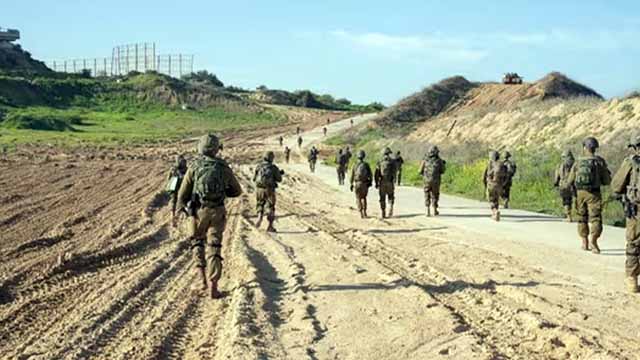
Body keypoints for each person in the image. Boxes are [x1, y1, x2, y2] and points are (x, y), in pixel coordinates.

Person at [176, 134, 242, 299]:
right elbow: (237, 191)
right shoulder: (223, 167)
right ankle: (214, 286)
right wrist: (223, 192)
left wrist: (182, 209)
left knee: (197, 242)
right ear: (217, 149)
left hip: (199, 212)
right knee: (215, 246)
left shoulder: (194, 167)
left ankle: (202, 280)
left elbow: (182, 195)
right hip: (217, 212)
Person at [567, 137, 611, 253]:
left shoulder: (578, 161)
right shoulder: (599, 161)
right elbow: (607, 180)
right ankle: (594, 241)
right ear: (595, 148)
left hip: (580, 193)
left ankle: (584, 242)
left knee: (582, 218)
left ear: (584, 147)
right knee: (595, 218)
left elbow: (570, 180)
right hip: (594, 194)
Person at [611, 135, 640, 293]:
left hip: (636, 210)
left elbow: (616, 186)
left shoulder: (630, 162)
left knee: (633, 243)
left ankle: (632, 279)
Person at [253, 151, 284, 233]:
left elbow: (254, 179)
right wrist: (279, 174)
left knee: (260, 203)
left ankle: (259, 218)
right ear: (271, 158)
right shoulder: (273, 167)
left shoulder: (258, 166)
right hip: (269, 190)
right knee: (270, 206)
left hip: (259, 189)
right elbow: (279, 179)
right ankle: (270, 226)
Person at [419, 146, 446, 216]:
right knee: (435, 194)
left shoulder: (425, 160)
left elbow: (419, 171)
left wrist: (424, 174)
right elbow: (443, 171)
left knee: (426, 193)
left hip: (426, 181)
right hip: (436, 181)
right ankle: (434, 209)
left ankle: (427, 210)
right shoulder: (439, 160)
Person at [483, 151, 508, 221]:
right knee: (496, 199)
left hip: (491, 184)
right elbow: (506, 176)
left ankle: (495, 211)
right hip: (500, 185)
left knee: (490, 199)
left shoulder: (490, 164)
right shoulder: (503, 165)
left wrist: (485, 185)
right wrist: (503, 184)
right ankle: (495, 213)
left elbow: (484, 176)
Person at [554, 150, 577, 222]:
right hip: (574, 185)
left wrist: (556, 184)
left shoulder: (559, 165)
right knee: (577, 200)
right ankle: (579, 215)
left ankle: (569, 216)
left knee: (566, 201)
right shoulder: (575, 164)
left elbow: (556, 177)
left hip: (563, 185)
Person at [374, 147, 397, 218]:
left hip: (382, 182)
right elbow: (395, 172)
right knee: (391, 196)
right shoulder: (392, 161)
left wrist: (376, 183)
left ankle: (383, 212)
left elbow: (376, 173)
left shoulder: (379, 161)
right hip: (390, 182)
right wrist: (394, 180)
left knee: (382, 198)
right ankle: (391, 208)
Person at [166, 155, 188, 225]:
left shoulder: (173, 169)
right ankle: (184, 216)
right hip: (181, 185)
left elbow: (168, 179)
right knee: (183, 200)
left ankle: (173, 217)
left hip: (173, 184)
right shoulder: (185, 168)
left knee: (173, 200)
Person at [350, 150, 373, 218]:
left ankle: (360, 212)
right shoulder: (366, 165)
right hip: (364, 184)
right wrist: (370, 182)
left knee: (358, 198)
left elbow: (351, 175)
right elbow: (370, 175)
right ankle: (365, 212)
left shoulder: (354, 165)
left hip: (357, 183)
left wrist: (351, 184)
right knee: (364, 198)